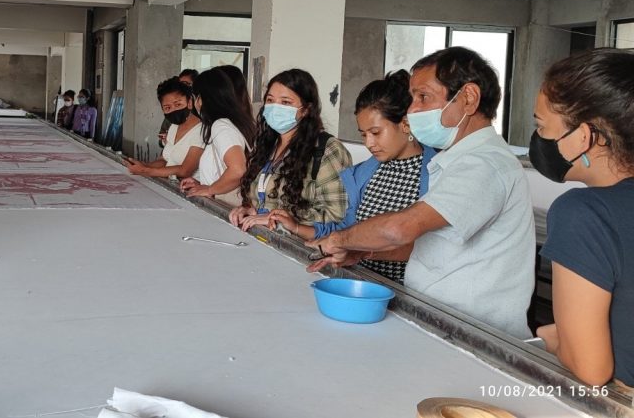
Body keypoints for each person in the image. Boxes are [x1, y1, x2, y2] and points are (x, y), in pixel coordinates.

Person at [306, 47, 535, 339]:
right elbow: (438, 247)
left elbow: (399, 229)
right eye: (412, 99)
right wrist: (363, 249)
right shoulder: (456, 161)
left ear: (468, 98)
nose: (412, 110)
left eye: (423, 97)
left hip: (475, 334)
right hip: (441, 321)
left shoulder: (484, 164)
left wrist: (337, 240)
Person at [530, 49, 634, 387]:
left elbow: (592, 369)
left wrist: (556, 337)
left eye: (542, 126)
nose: (539, 139)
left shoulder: (584, 212)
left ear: (584, 136)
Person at [290, 71, 436, 284]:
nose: (368, 143)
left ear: (405, 124)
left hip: (409, 293)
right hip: (360, 283)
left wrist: (361, 251)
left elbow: (430, 247)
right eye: (363, 134)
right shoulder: (363, 175)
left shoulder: (436, 175)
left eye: (376, 133)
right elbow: (346, 230)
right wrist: (295, 227)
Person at [227, 69, 352, 239]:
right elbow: (262, 198)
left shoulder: (327, 150)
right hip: (261, 241)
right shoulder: (267, 145)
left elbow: (338, 216)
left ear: (306, 109)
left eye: (285, 102)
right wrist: (249, 208)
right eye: (270, 100)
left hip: (299, 250)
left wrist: (280, 219)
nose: (275, 107)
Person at [180, 67, 256, 205]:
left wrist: (210, 189)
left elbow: (238, 170)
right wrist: (203, 183)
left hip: (227, 207)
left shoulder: (221, 125)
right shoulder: (235, 122)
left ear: (201, 99)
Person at [126, 77, 204, 180]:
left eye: (178, 104)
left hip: (190, 191)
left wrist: (145, 170)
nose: (173, 110)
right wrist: (144, 165)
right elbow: (164, 160)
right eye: (167, 107)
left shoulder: (201, 130)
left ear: (189, 103)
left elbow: (185, 171)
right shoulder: (173, 127)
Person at [158, 69, 199, 146]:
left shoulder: (200, 115)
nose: (174, 109)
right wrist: (165, 140)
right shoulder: (172, 119)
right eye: (179, 84)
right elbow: (161, 139)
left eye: (186, 84)